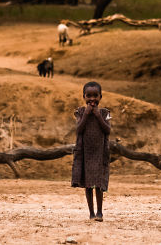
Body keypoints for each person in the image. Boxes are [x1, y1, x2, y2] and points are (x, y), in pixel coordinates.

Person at [72, 81, 111, 221]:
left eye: (95, 95)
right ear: (84, 97)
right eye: (89, 96)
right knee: (88, 185)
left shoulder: (105, 113)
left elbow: (108, 130)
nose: (92, 99)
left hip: (100, 153)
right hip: (85, 154)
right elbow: (78, 130)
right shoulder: (80, 112)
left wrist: (98, 116)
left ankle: (100, 212)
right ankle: (91, 213)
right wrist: (87, 115)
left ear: (101, 96)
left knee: (99, 184)